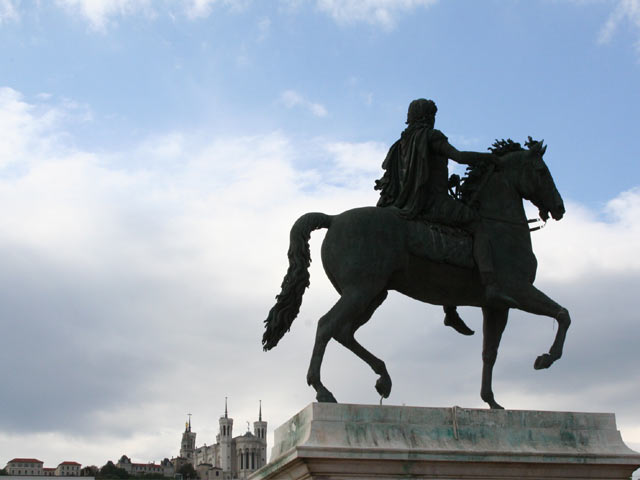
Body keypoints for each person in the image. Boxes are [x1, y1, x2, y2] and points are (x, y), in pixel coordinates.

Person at [375, 98, 515, 309]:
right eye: (432, 115)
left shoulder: (400, 144)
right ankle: (490, 285)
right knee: (477, 225)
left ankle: (451, 308)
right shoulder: (431, 136)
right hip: (434, 202)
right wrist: (489, 159)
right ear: (427, 116)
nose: (433, 119)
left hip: (406, 201)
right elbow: (458, 156)